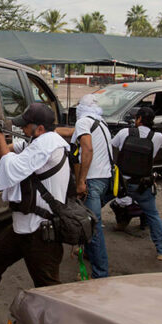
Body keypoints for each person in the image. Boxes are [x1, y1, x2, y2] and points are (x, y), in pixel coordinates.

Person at [0, 103, 70, 303]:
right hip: (25, 225)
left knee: (48, 287)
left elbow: (12, 167)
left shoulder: (46, 146)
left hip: (42, 231)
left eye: (25, 125)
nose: (22, 129)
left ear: (39, 128)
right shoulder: (39, 141)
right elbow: (8, 151)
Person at [56, 94, 114, 279]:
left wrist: (81, 181)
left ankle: (101, 275)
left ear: (81, 108)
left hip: (92, 181)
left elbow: (87, 148)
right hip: (106, 180)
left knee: (92, 228)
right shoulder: (100, 122)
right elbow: (71, 132)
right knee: (91, 222)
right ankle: (90, 254)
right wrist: (53, 131)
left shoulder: (83, 122)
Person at [110, 106, 162, 260]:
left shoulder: (125, 133)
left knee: (97, 205)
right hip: (142, 184)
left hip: (121, 183)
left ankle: (84, 246)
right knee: (153, 215)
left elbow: (114, 145)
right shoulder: (158, 137)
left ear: (138, 119)